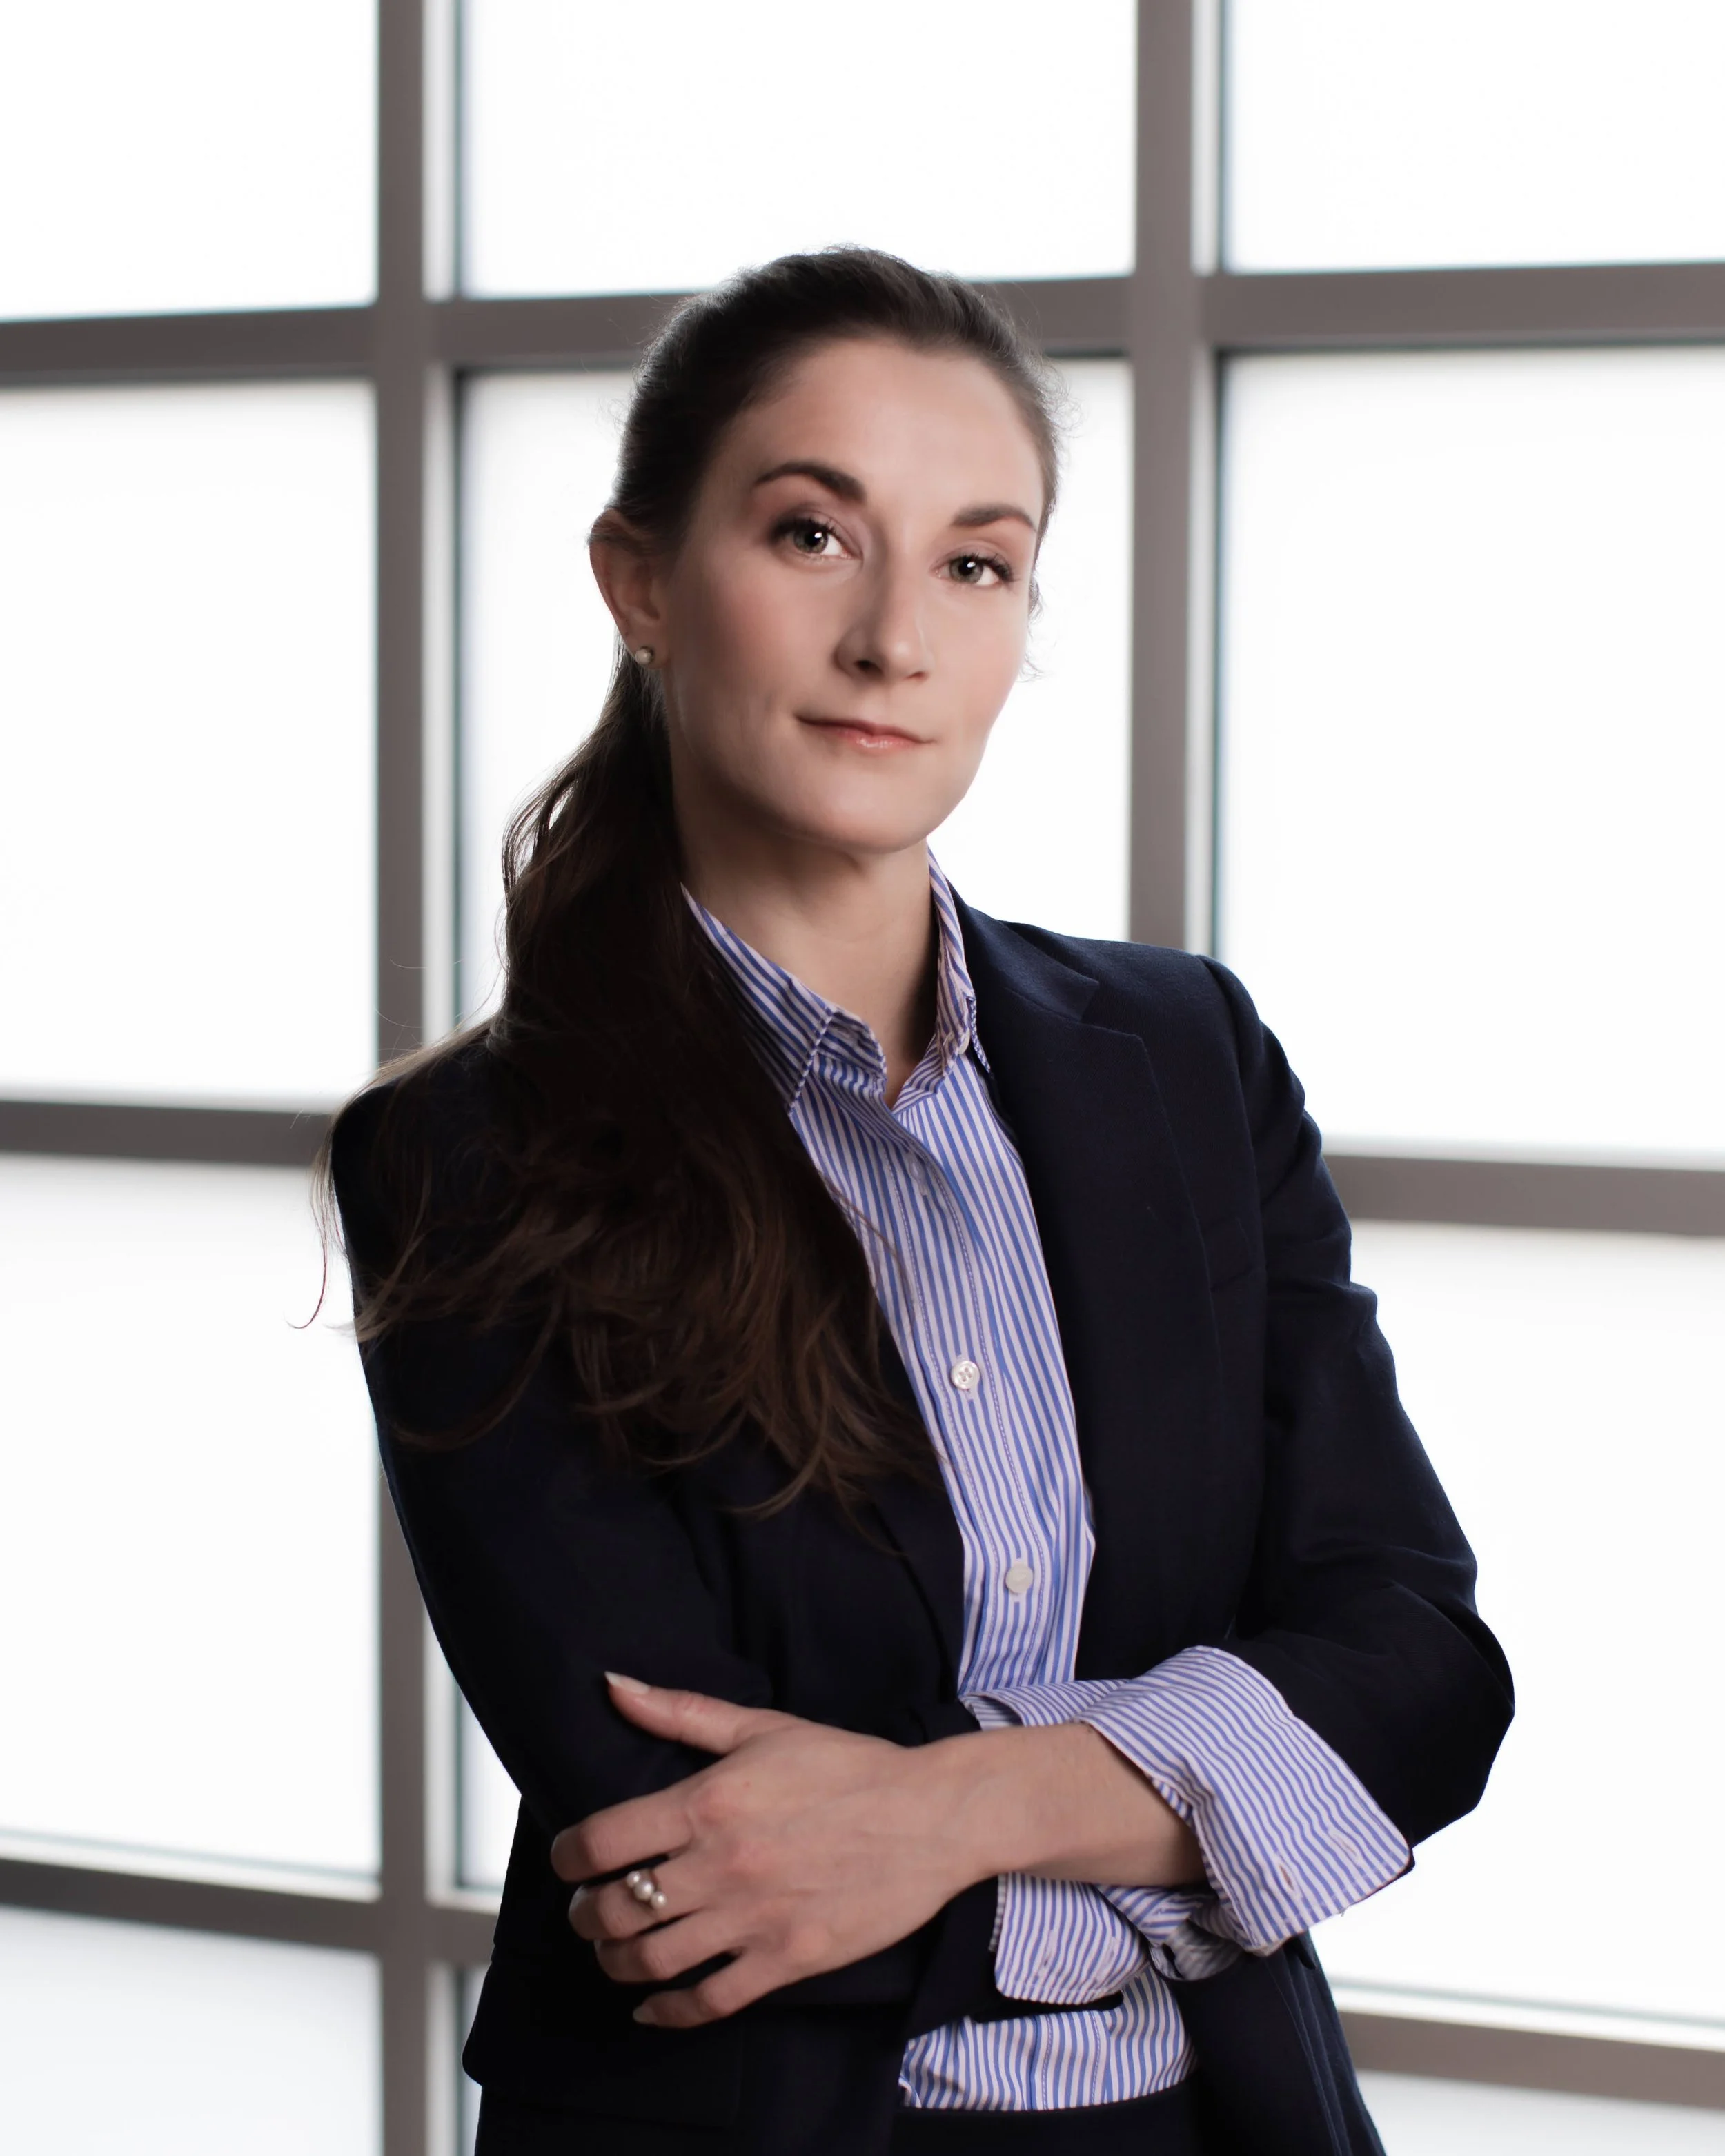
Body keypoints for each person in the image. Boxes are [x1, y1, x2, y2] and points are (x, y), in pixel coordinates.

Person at [327, 248, 1511, 2156]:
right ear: (640, 581)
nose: (896, 638)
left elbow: (1419, 1673)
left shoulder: (1188, 1055)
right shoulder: (465, 1157)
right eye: (812, 533)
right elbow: (692, 1864)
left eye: (975, 562)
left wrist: (946, 1812)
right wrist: (1214, 1785)